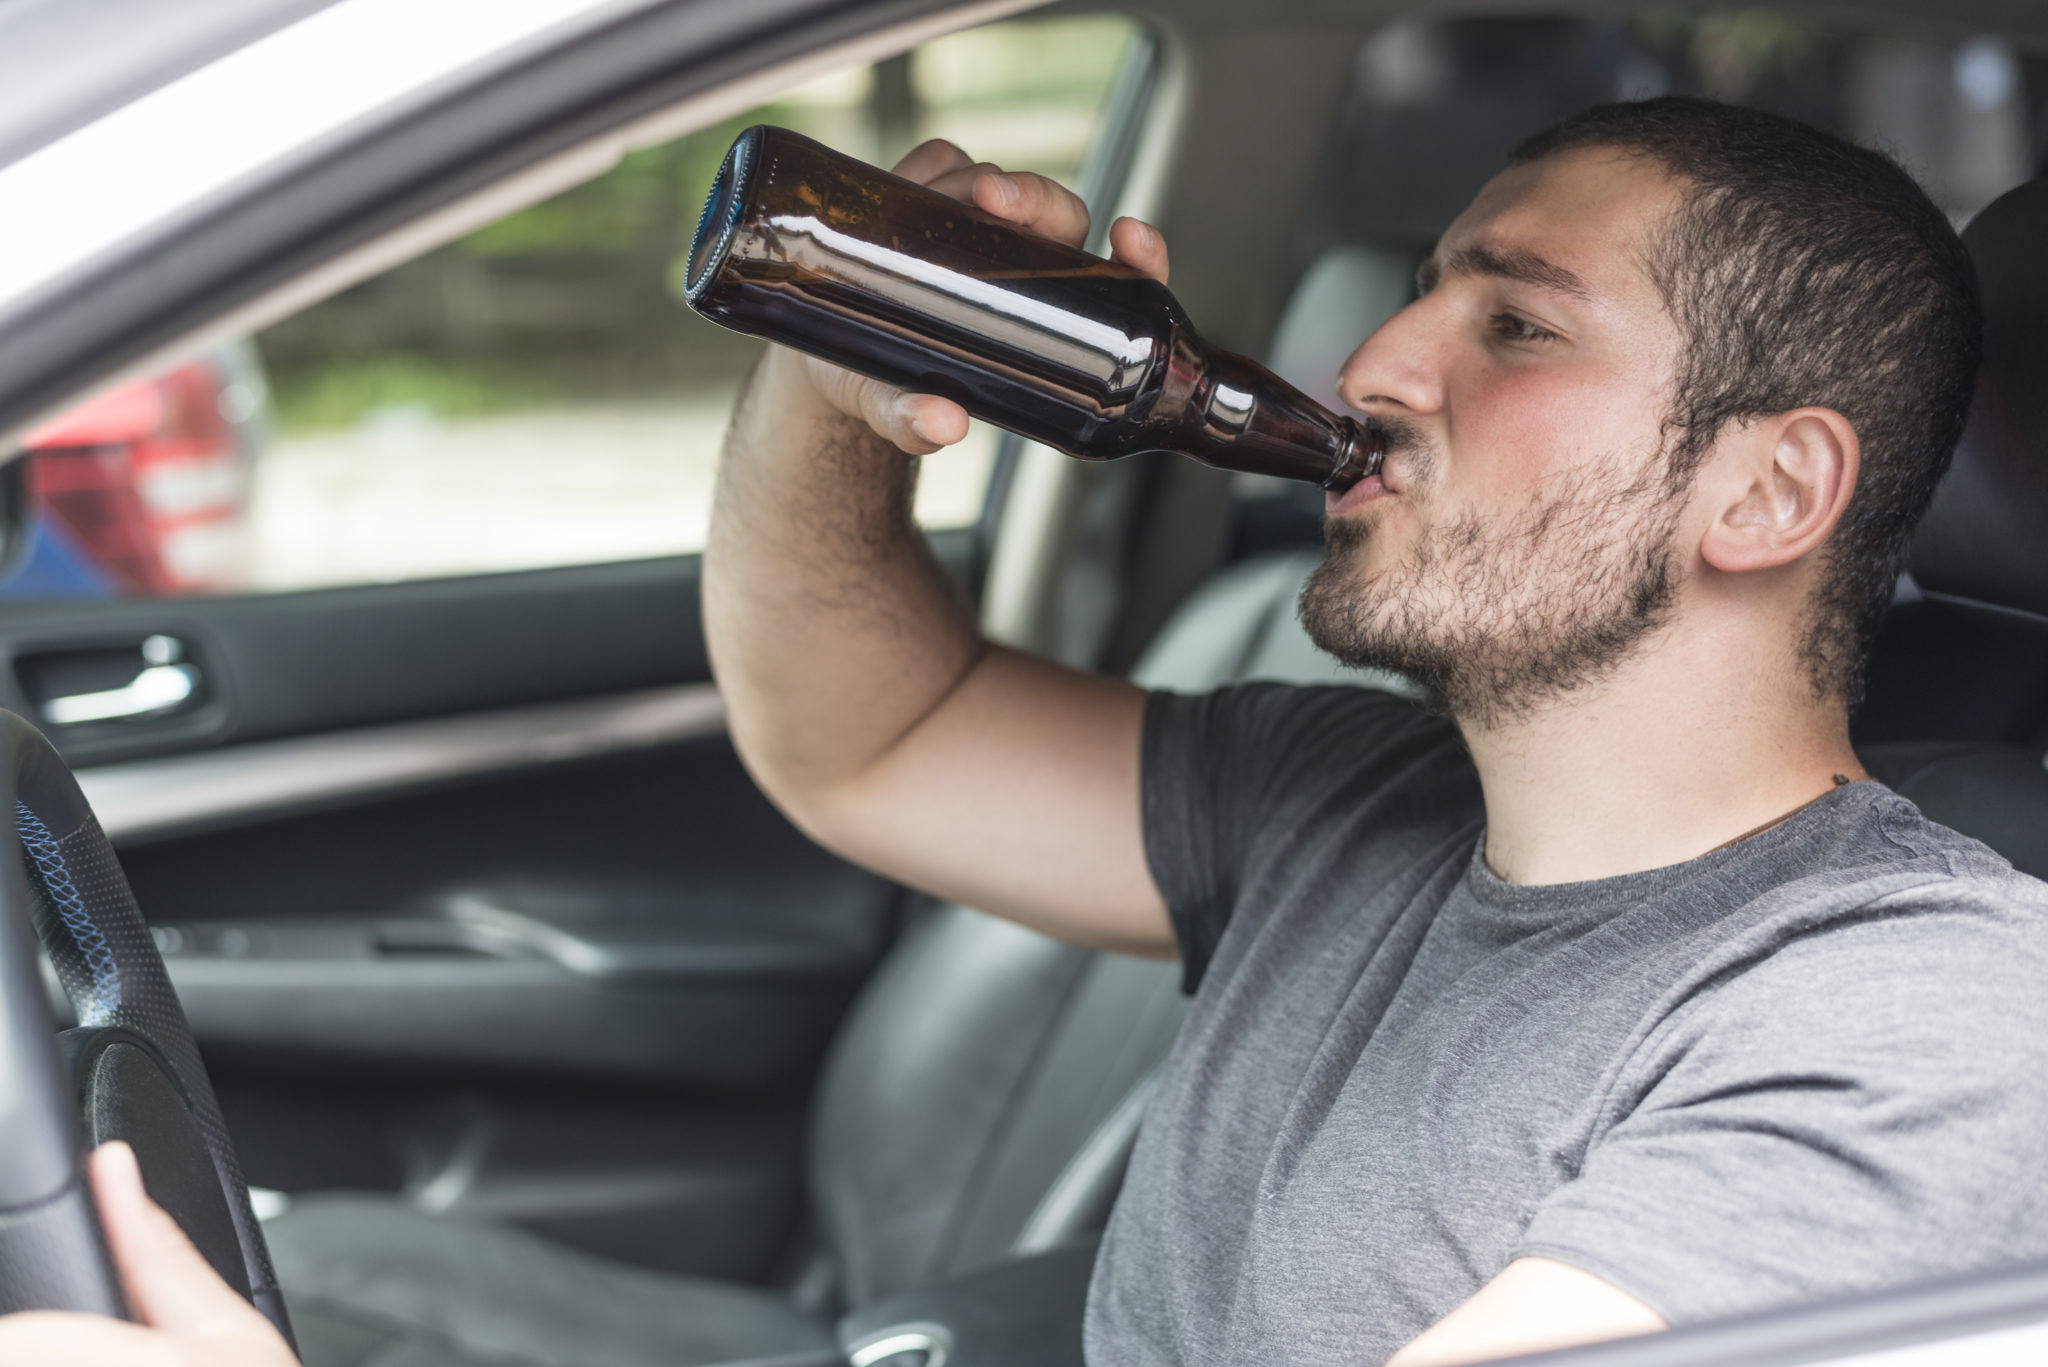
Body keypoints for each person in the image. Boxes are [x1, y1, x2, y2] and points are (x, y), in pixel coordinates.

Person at [5, 93, 2045, 1367]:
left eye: (1512, 322)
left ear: (1766, 493)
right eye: (1421, 288)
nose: (1378, 358)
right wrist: (844, 389)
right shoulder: (1353, 797)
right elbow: (866, 737)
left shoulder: (1913, 1014)